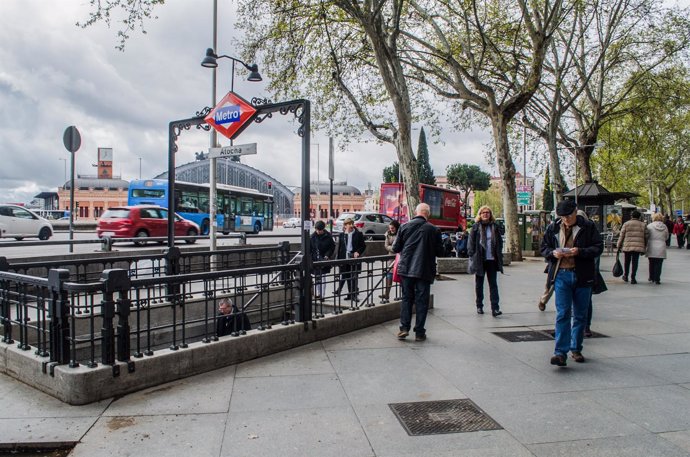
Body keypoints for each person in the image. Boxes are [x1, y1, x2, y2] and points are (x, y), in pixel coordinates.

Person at [541, 199, 603, 366]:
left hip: (582, 275)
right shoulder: (553, 227)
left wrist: (580, 252)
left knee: (580, 314)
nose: (565, 220)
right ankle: (560, 352)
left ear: (576, 212)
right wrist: (553, 253)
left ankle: (576, 348)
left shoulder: (588, 227)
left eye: (568, 216)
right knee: (562, 314)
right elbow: (544, 248)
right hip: (561, 274)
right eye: (562, 217)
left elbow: (598, 247)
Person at [392, 203, 443, 341]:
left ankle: (404, 328)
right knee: (422, 301)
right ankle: (419, 332)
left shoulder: (404, 226)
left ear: (416, 212)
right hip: (424, 270)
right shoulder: (434, 229)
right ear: (428, 214)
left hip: (406, 269)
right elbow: (440, 251)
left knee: (407, 299)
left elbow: (395, 248)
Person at [468, 206, 504, 317]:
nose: (485, 214)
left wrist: (498, 254)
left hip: (492, 259)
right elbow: (471, 243)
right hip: (479, 260)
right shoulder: (475, 227)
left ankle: (495, 308)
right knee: (479, 284)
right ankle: (479, 305)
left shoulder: (494, 227)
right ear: (480, 214)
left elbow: (499, 242)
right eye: (483, 212)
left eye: (488, 212)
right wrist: (472, 255)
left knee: (493, 284)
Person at [336, 217, 366, 301]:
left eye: (352, 224)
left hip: (354, 258)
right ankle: (350, 295)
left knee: (353, 277)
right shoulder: (342, 235)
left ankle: (353, 295)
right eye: (349, 224)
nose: (351, 225)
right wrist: (338, 260)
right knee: (347, 276)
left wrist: (358, 252)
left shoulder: (358, 234)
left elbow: (363, 246)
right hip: (344, 258)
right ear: (345, 226)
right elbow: (340, 248)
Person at [616, 210, 648, 284]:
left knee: (626, 262)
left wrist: (619, 245)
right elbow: (646, 236)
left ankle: (625, 276)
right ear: (639, 217)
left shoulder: (626, 224)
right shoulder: (643, 225)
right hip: (638, 247)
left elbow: (622, 235)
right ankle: (633, 277)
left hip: (627, 246)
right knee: (635, 262)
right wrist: (645, 245)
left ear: (631, 216)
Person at [311, 220, 335, 299]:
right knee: (317, 278)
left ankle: (322, 295)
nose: (318, 231)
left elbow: (332, 247)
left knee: (323, 277)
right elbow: (310, 249)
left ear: (323, 229)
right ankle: (318, 294)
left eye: (320, 230)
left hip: (324, 259)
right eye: (317, 230)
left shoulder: (328, 236)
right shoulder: (312, 237)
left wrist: (327, 255)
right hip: (315, 260)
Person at [379, 220, 400, 303]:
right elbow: (386, 245)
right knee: (389, 275)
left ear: (396, 227)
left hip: (399, 257)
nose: (391, 230)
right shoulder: (387, 234)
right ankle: (386, 294)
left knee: (400, 275)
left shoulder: (400, 233)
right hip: (390, 257)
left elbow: (400, 245)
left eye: (393, 228)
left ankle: (403, 294)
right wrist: (393, 249)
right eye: (390, 228)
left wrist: (395, 248)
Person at [646, 213, 668, 285]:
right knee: (659, 264)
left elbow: (647, 235)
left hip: (652, 245)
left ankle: (651, 277)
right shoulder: (664, 227)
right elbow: (667, 237)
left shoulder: (650, 226)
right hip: (661, 246)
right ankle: (657, 278)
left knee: (651, 262)